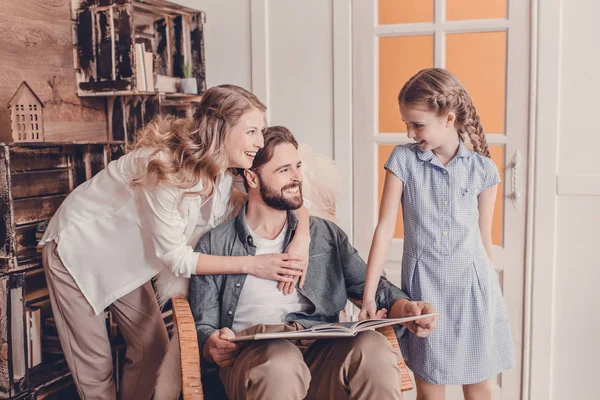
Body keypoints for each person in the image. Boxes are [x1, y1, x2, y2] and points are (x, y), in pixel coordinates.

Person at [39, 85, 311, 400]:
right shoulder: (165, 169)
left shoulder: (227, 171)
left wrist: (301, 236)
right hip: (78, 248)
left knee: (151, 348)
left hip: (126, 260)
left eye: (261, 132)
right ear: (221, 129)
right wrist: (253, 264)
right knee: (96, 367)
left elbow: (283, 189)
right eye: (251, 131)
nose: (259, 142)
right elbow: (176, 258)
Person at [189, 126, 438, 400]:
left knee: (374, 349)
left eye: (298, 166)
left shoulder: (324, 235)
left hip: (323, 348)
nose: (297, 177)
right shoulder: (215, 245)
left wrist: (405, 308)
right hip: (256, 357)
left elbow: (371, 286)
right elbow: (203, 326)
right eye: (284, 170)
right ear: (252, 177)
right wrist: (212, 343)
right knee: (281, 362)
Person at [360, 68, 514, 399]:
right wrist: (369, 296)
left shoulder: (484, 170)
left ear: (448, 117)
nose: (411, 132)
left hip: (473, 291)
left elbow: (483, 238)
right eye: (407, 124)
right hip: (426, 289)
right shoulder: (403, 160)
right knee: (430, 391)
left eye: (417, 124)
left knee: (479, 388)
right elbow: (385, 227)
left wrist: (489, 298)